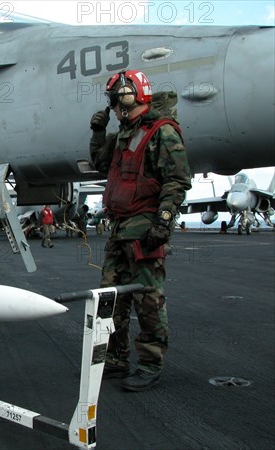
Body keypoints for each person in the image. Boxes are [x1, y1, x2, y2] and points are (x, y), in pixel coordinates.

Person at [89, 70, 192, 392]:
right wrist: (97, 132)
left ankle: (149, 364)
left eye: (117, 98)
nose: (114, 106)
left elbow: (177, 181)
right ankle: (117, 359)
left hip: (145, 228)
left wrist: (163, 222)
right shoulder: (123, 133)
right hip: (120, 229)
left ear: (132, 95)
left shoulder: (162, 132)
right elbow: (100, 163)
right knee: (111, 299)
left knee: (148, 300)